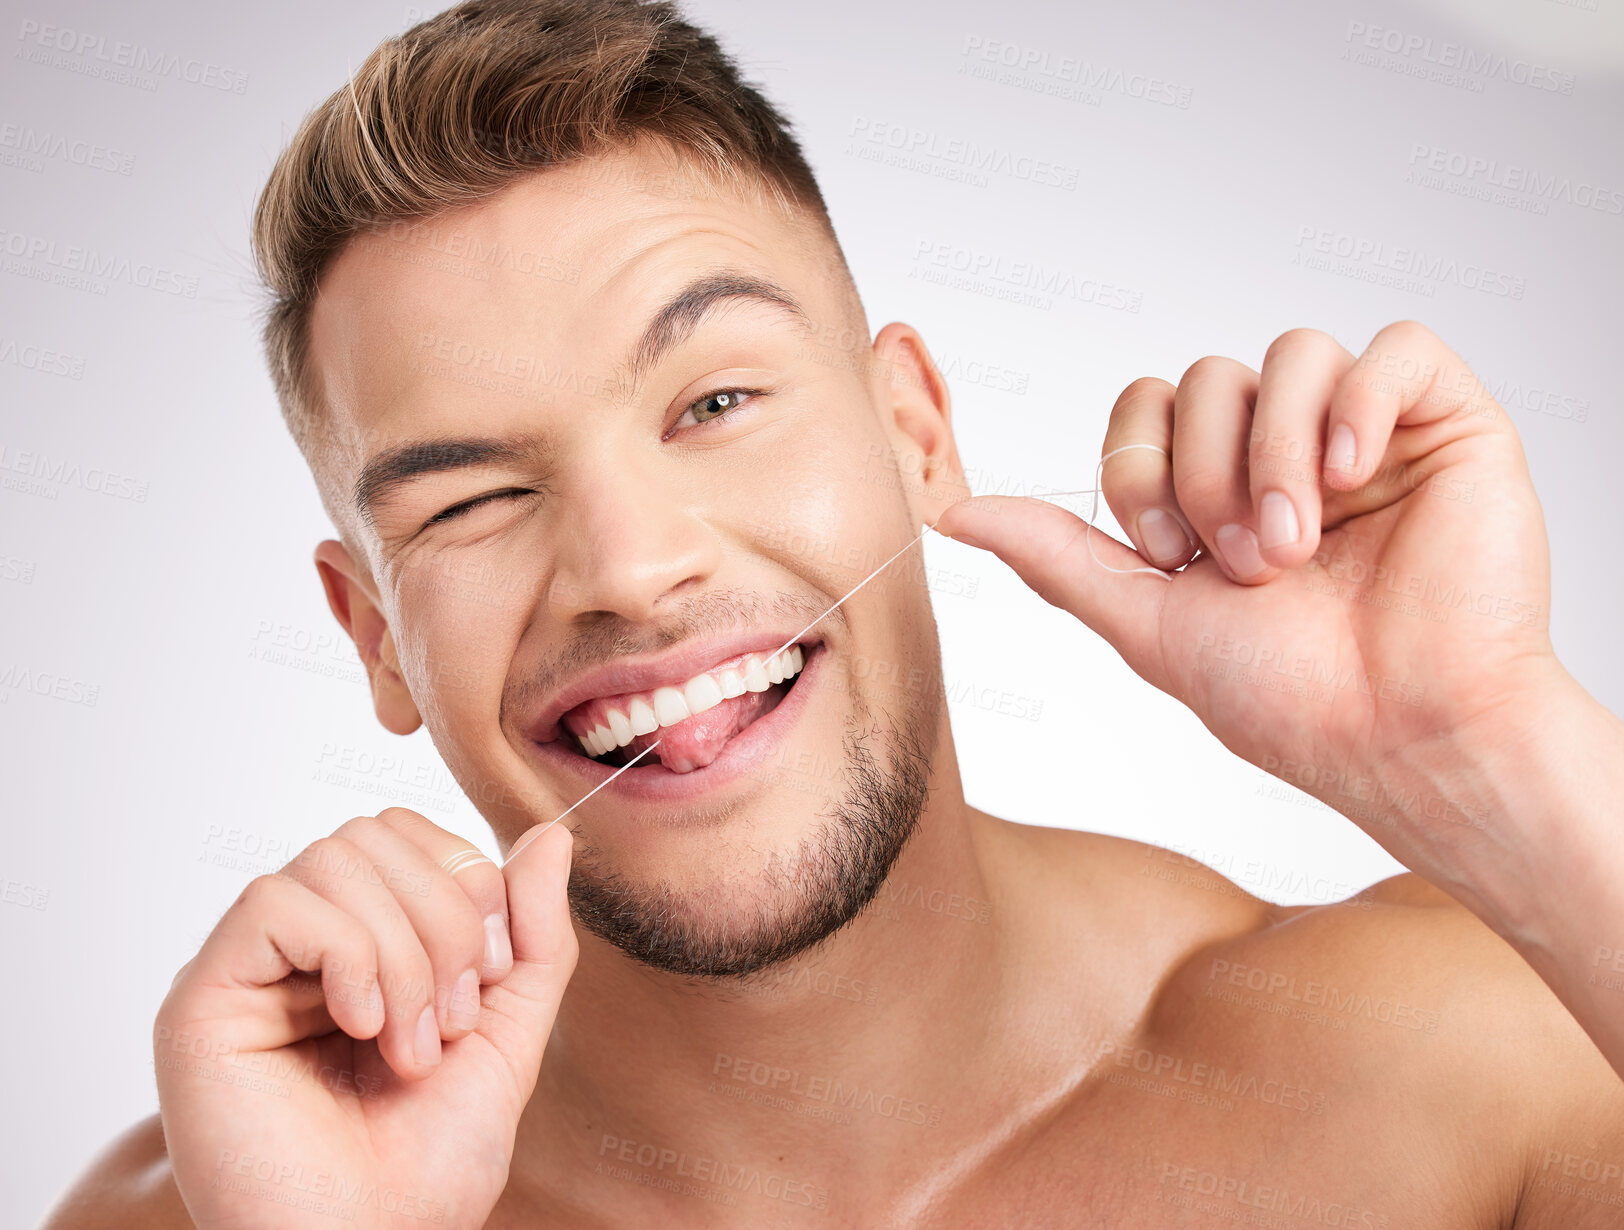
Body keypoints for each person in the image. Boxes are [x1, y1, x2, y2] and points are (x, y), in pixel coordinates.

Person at [41, 0, 1624, 1225]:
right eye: (469, 500)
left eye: (716, 396)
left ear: (915, 431)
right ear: (373, 633)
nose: (630, 563)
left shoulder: (1477, 1059)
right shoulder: (236, 1205)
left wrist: (1496, 754)